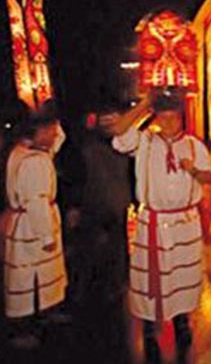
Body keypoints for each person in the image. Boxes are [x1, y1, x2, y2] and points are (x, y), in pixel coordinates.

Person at [111, 90, 211, 362]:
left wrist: (193, 170)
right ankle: (149, 330)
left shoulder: (194, 145)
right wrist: (144, 104)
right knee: (149, 279)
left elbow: (209, 177)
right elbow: (118, 131)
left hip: (185, 224)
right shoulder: (144, 141)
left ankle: (182, 321)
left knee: (183, 276)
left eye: (174, 118)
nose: (169, 123)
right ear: (155, 118)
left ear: (182, 118)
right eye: (163, 118)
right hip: (153, 222)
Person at [3, 106, 68, 349]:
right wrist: (46, 235)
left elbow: (57, 142)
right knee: (27, 277)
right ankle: (22, 329)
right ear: (39, 131)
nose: (54, 135)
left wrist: (53, 113)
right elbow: (36, 202)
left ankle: (47, 311)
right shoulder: (33, 162)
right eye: (49, 130)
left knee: (43, 274)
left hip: (27, 224)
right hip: (32, 227)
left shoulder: (24, 151)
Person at [79, 103, 133, 301]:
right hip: (108, 200)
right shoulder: (117, 145)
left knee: (107, 244)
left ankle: (103, 285)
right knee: (111, 245)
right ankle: (111, 284)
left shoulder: (94, 145)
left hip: (103, 200)